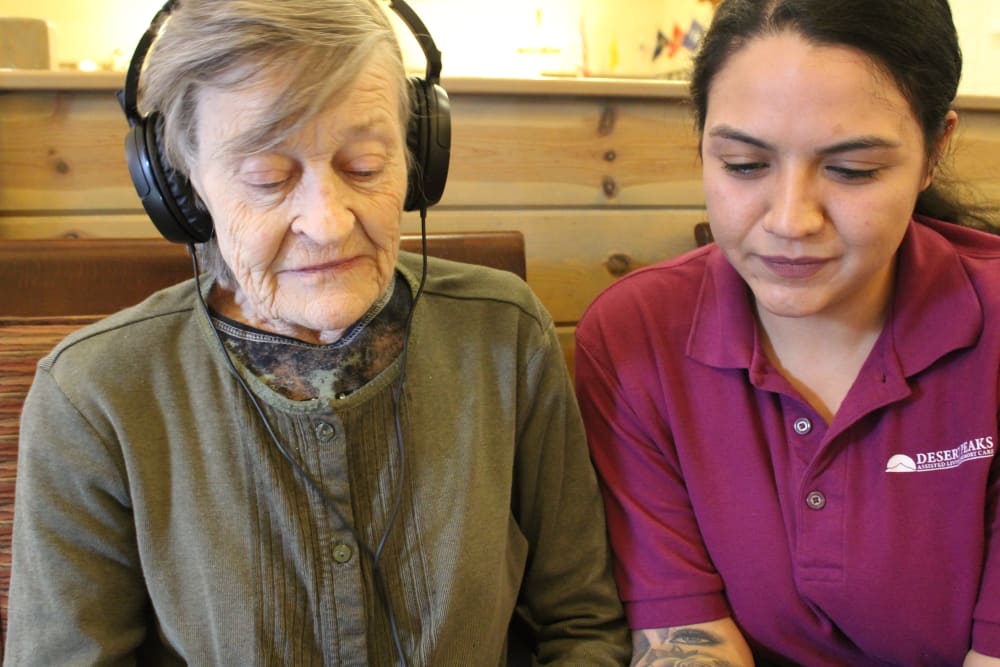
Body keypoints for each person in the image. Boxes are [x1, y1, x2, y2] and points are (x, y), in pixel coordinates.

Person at [4, 1, 630, 664]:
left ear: (417, 155)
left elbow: (583, 622)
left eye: (364, 166)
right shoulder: (93, 395)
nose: (328, 222)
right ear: (183, 187)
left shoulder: (503, 335)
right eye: (268, 178)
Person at [574, 0, 1000, 665]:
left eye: (852, 170)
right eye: (745, 164)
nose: (791, 220)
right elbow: (688, 644)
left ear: (932, 153)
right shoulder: (635, 337)